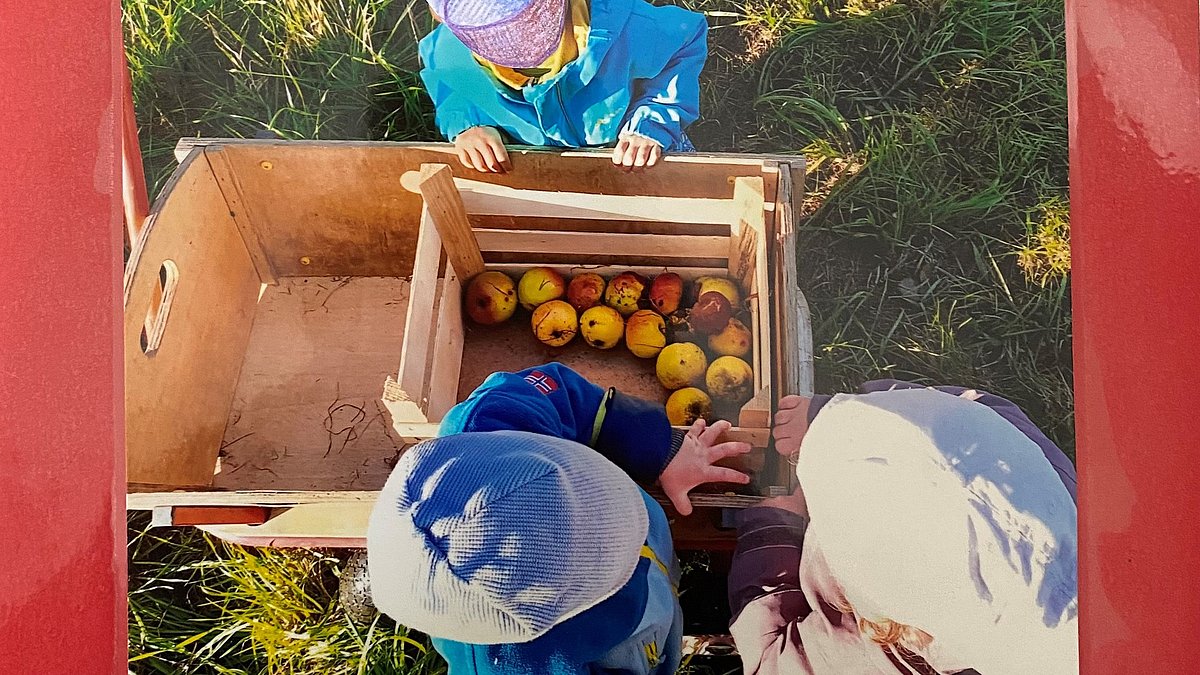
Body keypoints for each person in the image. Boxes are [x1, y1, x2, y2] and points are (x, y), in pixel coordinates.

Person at [367, 362, 751, 674]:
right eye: (614, 553)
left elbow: (557, 393)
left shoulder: (487, 427)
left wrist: (659, 451)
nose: (630, 544)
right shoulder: (527, 665)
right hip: (630, 638)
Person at [728, 380, 1078, 674]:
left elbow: (770, 660)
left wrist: (774, 528)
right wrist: (824, 414)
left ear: (878, 612)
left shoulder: (874, 653)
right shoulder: (1035, 465)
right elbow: (966, 410)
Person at [419, 0, 706, 173]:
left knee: (672, 181)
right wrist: (469, 124)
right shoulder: (449, 51)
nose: (520, 64)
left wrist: (652, 124)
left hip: (629, 141)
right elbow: (450, 83)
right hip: (530, 158)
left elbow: (683, 42)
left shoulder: (632, 29)